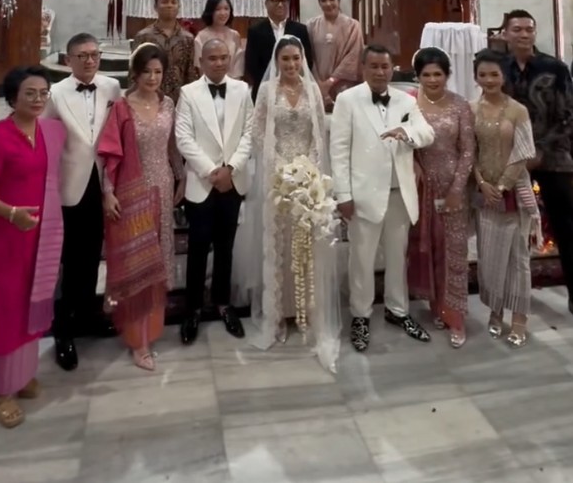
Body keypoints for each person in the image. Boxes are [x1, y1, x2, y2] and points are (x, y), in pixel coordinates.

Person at [0, 67, 65, 429]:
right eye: (29, 93)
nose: (37, 100)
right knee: (3, 312)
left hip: (37, 237)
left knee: (28, 305)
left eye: (42, 93)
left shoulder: (45, 132)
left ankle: (21, 376)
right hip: (4, 240)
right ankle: (0, 391)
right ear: (12, 97)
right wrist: (11, 214)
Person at [235, 35, 341, 372]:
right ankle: (278, 315)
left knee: (307, 247)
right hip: (276, 178)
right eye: (286, 60)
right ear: (277, 62)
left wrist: (308, 172)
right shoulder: (267, 91)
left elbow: (318, 133)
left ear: (303, 59)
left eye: (296, 59)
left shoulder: (313, 90)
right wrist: (282, 171)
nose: (292, 65)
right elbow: (259, 132)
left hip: (309, 179)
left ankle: (307, 312)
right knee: (279, 245)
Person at [330, 43, 434, 352]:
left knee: (396, 256)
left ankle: (397, 309)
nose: (379, 72)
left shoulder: (406, 99)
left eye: (385, 66)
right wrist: (343, 195)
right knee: (361, 259)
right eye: (373, 66)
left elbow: (427, 132)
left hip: (399, 192)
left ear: (392, 68)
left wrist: (407, 132)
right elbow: (338, 151)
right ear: (363, 68)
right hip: (362, 193)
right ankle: (360, 316)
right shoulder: (347, 100)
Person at [97, 43, 185, 371]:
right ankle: (139, 341)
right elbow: (109, 154)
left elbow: (173, 148)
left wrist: (181, 178)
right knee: (137, 263)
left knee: (157, 260)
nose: (152, 77)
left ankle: (152, 328)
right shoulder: (122, 107)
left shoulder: (168, 105)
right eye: (147, 71)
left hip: (162, 187)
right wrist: (108, 192)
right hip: (132, 191)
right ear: (135, 73)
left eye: (158, 72)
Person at [45, 32, 121, 371]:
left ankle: (88, 315)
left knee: (91, 254)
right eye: (82, 56)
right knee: (66, 259)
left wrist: (111, 186)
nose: (89, 61)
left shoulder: (111, 88)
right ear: (68, 60)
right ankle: (62, 328)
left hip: (101, 182)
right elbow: (46, 144)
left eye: (94, 54)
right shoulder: (55, 93)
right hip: (67, 185)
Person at [175, 38, 253, 345]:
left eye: (224, 57)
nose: (219, 63)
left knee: (225, 246)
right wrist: (211, 171)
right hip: (202, 182)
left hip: (232, 181)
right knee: (197, 247)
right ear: (202, 62)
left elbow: (249, 133)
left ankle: (223, 304)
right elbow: (183, 138)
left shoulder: (242, 90)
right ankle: (192, 308)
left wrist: (231, 168)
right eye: (213, 58)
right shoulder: (188, 92)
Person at [499, 9, 573, 314]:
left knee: (566, 226)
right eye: (517, 29)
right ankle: (510, 295)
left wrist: (539, 150)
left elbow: (568, 114)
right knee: (509, 227)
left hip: (553, 156)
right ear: (506, 34)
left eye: (529, 29)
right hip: (511, 158)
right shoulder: (497, 68)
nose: (524, 34)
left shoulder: (554, 67)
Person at [471, 48, 541, 347]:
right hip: (484, 194)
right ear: (476, 76)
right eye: (483, 74)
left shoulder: (518, 110)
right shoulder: (471, 109)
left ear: (505, 76)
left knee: (517, 259)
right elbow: (469, 151)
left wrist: (500, 187)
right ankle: (495, 312)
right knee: (490, 257)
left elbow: (524, 153)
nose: (488, 80)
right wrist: (481, 182)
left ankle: (519, 319)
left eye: (494, 74)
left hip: (513, 193)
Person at [407, 47, 475, 347]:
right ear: (418, 77)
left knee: (454, 253)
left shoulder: (460, 105)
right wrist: (415, 167)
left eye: (438, 73)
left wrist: (457, 189)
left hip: (453, 187)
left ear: (447, 75)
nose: (433, 79)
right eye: (426, 74)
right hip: (422, 189)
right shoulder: (410, 104)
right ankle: (438, 307)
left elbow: (468, 149)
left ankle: (457, 318)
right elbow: (407, 145)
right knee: (429, 248)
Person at [244, 0, 313, 100]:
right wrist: (271, 83)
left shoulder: (300, 29)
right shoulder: (255, 30)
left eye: (284, 0)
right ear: (266, 3)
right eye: (275, 0)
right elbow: (252, 64)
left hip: (295, 89)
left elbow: (308, 60)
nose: (280, 4)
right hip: (264, 89)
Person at [307, 0, 363, 112]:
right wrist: (319, 84)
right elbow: (309, 56)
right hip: (317, 86)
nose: (328, 4)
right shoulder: (311, 25)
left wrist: (330, 82)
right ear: (319, 2)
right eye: (323, 0)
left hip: (343, 86)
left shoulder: (353, 25)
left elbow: (353, 56)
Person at [133, 0, 196, 103]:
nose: (169, 5)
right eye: (165, 2)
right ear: (155, 7)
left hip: (180, 100)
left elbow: (190, 73)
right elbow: (134, 71)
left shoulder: (188, 38)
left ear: (179, 6)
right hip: (150, 99)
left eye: (173, 2)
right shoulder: (143, 36)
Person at [195, 0, 244, 78]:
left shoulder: (234, 35)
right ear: (211, 11)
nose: (223, 13)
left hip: (233, 84)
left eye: (226, 9)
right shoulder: (201, 36)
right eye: (218, 9)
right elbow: (200, 68)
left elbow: (238, 65)